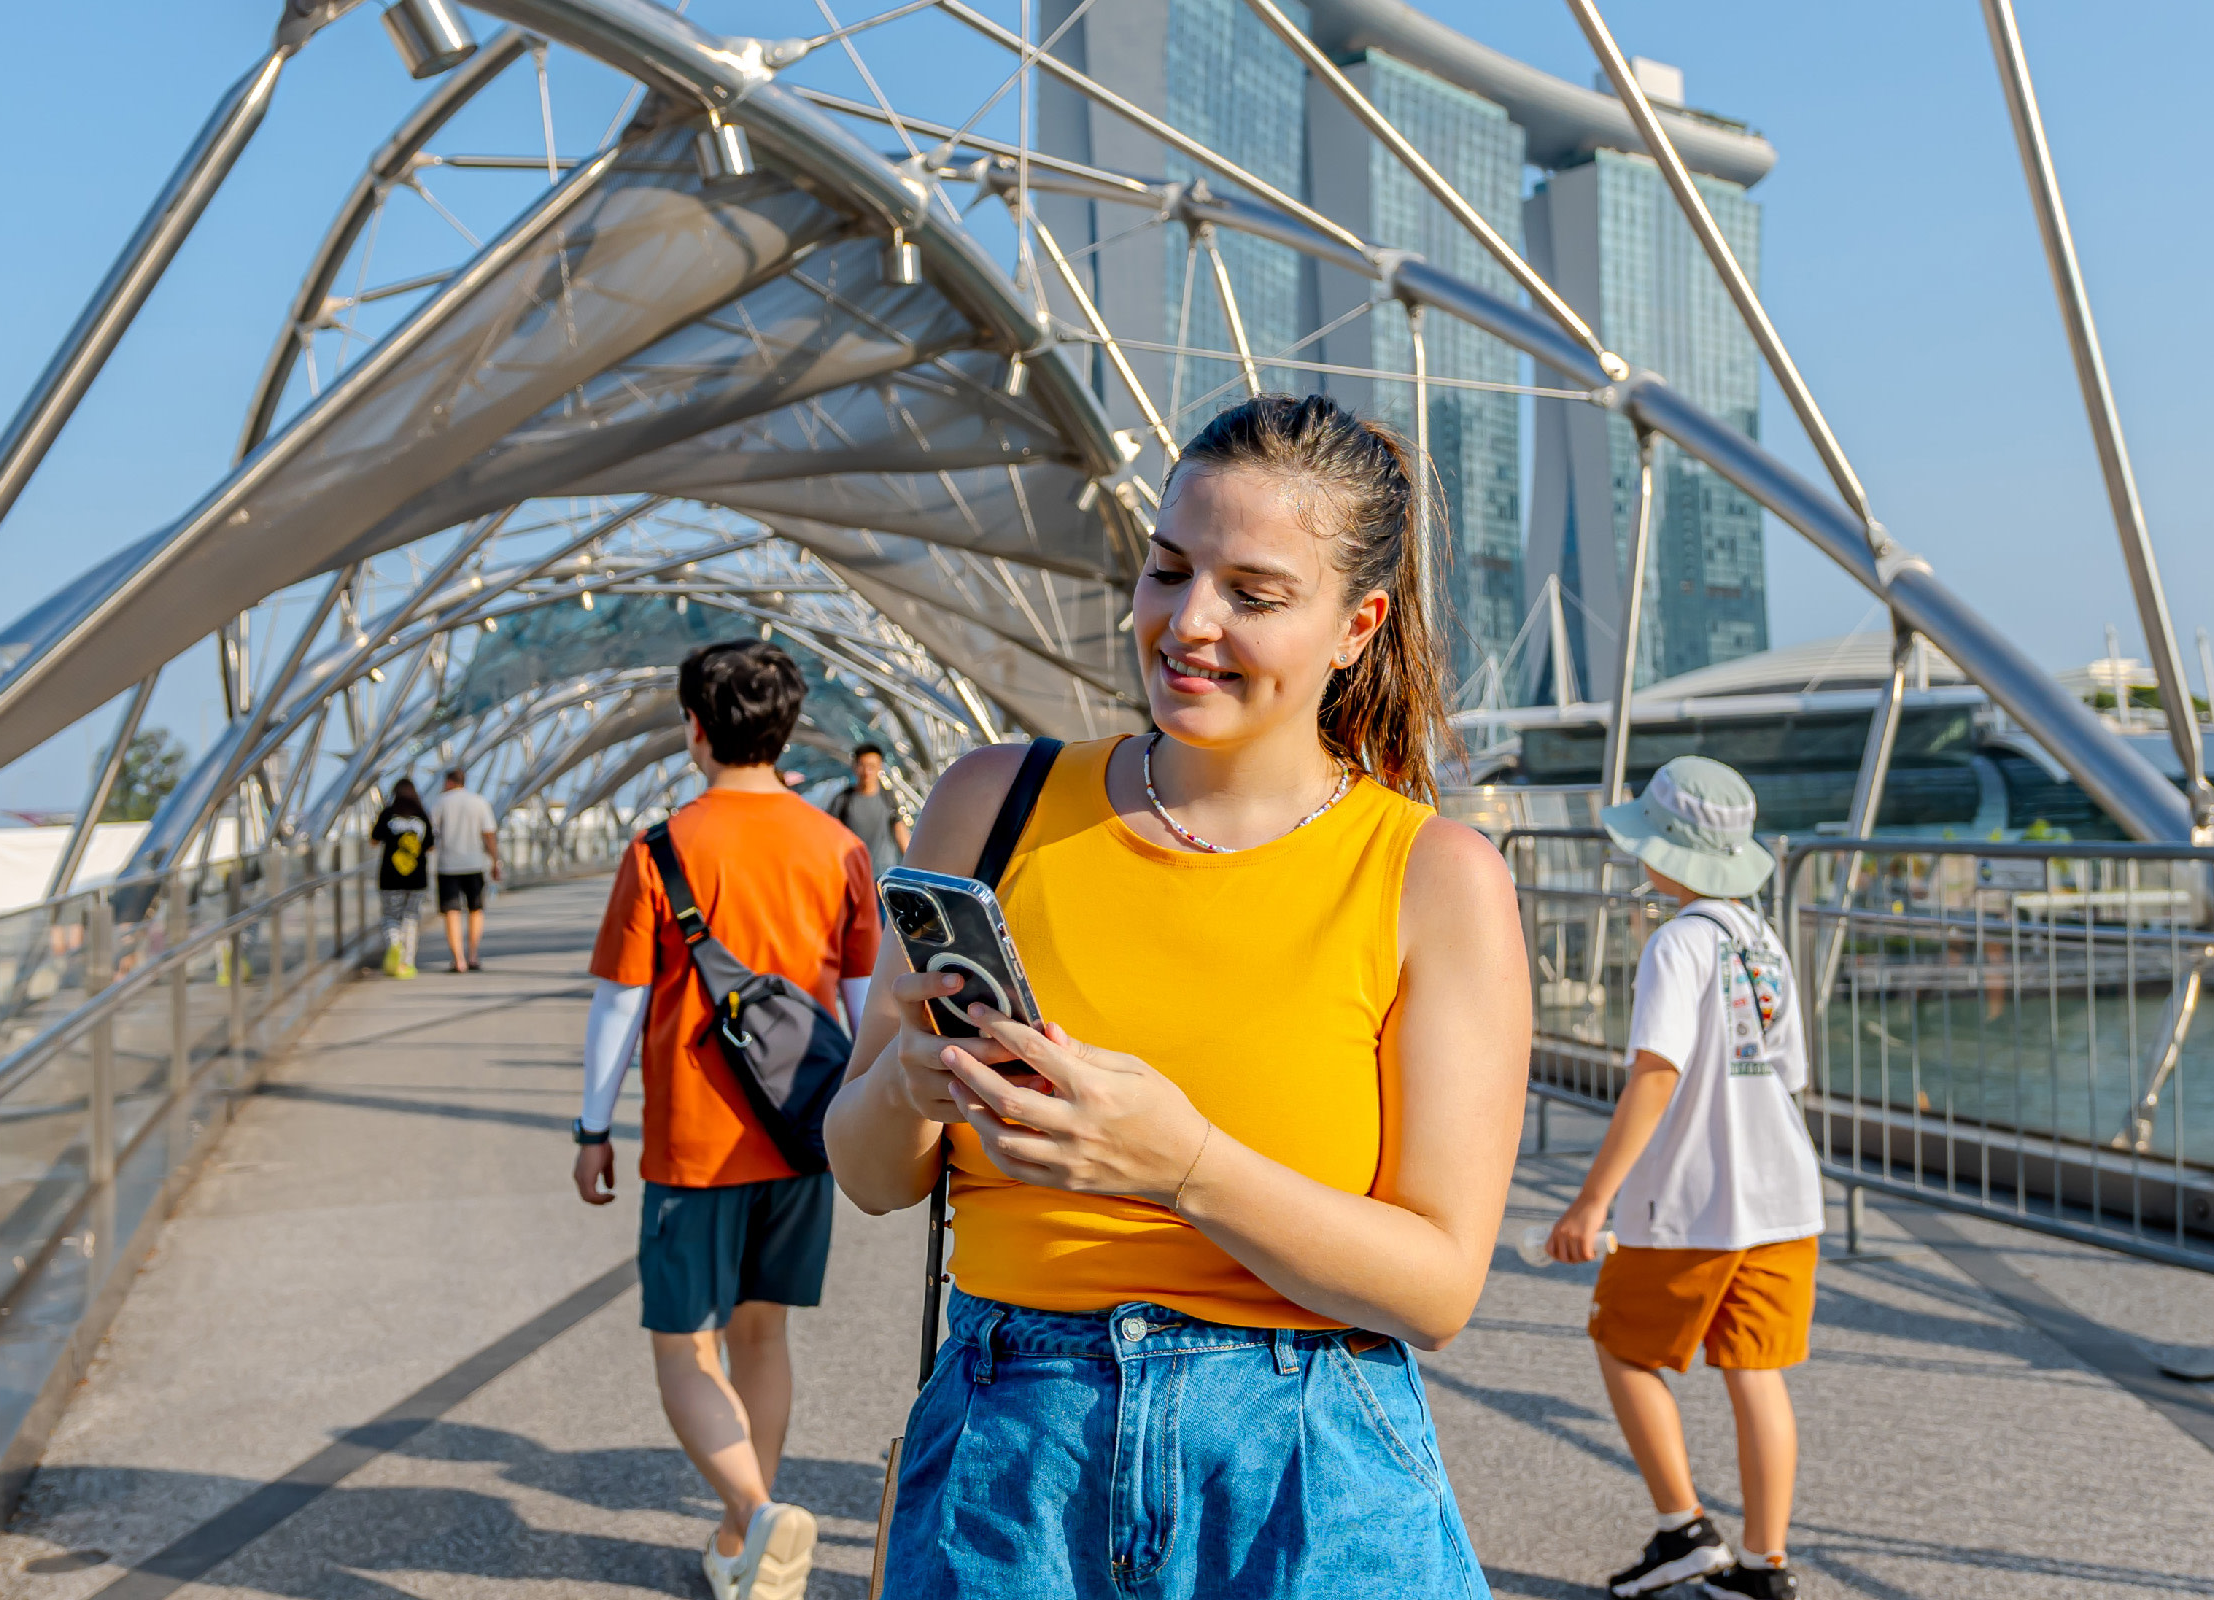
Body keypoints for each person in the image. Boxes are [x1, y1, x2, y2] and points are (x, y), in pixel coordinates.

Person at [825, 394, 1531, 1599]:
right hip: (1013, 1449)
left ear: (1355, 626)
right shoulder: (994, 806)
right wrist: (909, 1077)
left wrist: (1180, 1163)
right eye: (1166, 569)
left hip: (1304, 1456)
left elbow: (1436, 1285)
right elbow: (868, 1170)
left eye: (1252, 595)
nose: (1186, 622)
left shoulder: (1430, 876)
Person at [572, 638, 881, 1600]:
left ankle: (756, 1515)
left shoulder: (662, 848)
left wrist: (592, 1131)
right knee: (763, 1335)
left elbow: (619, 1006)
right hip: (804, 1134)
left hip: (694, 1144)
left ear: (695, 729)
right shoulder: (840, 847)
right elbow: (869, 1002)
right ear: (788, 731)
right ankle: (745, 1542)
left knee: (683, 1347)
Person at [1542, 755, 1820, 1600]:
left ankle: (1684, 1530)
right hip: (1783, 1193)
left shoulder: (1678, 942)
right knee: (1755, 1372)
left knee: (1622, 1349)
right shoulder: (1762, 942)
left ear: (1669, 852)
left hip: (1692, 1202)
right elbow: (1787, 1072)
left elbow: (1655, 1075)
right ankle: (1765, 1570)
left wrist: (1592, 1201)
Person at [432, 767, 500, 972]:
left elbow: (431, 834)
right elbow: (488, 835)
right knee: (475, 909)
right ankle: (473, 955)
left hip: (447, 866)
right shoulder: (479, 802)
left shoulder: (440, 802)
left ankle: (458, 959)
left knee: (451, 911)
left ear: (449, 782)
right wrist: (496, 861)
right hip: (474, 864)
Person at [370, 778, 432, 980]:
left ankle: (395, 944)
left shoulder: (388, 814)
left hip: (390, 878)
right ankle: (408, 962)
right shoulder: (422, 815)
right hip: (417, 879)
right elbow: (431, 845)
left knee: (390, 917)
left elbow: (374, 840)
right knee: (411, 919)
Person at [827, 742, 910, 877]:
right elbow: (830, 836)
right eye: (862, 766)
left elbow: (900, 831)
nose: (867, 772)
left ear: (880, 767)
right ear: (854, 767)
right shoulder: (843, 800)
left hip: (883, 877)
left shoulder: (889, 798)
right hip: (852, 875)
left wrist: (912, 866)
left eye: (872, 767)